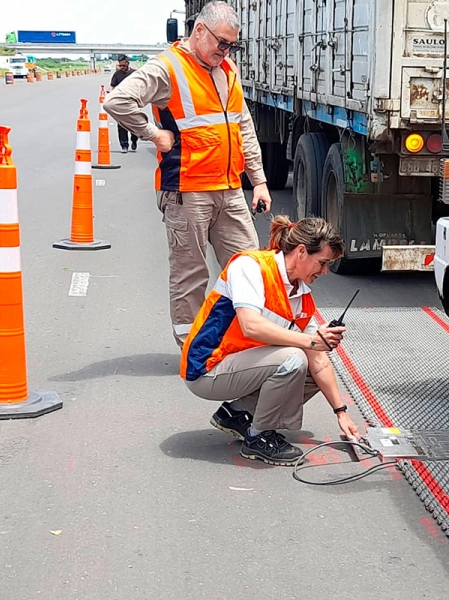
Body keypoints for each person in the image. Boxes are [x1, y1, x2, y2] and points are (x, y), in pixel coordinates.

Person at [104, 1, 272, 348]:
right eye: (221, 43)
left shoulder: (228, 69)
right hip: (187, 192)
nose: (225, 51)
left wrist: (259, 181)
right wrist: (153, 134)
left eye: (231, 45)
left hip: (229, 189)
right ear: (199, 31)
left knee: (249, 268)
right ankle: (193, 350)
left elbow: (244, 127)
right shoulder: (167, 67)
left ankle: (244, 338)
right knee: (191, 277)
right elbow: (118, 101)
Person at [179, 216, 362, 466]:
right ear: (301, 252)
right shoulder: (250, 266)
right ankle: (258, 437)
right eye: (323, 263)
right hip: (207, 370)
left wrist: (341, 413)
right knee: (294, 357)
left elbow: (319, 361)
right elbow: (251, 325)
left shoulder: (301, 296)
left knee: (311, 368)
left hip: (242, 367)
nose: (325, 271)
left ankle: (238, 413)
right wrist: (309, 341)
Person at [108, 55, 140, 153]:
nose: (122, 67)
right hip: (120, 102)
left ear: (127, 63)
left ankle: (134, 140)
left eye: (123, 65)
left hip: (133, 101)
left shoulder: (135, 73)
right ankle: (124, 145)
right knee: (121, 124)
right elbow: (112, 86)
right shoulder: (117, 74)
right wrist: (110, 94)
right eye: (120, 66)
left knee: (134, 123)